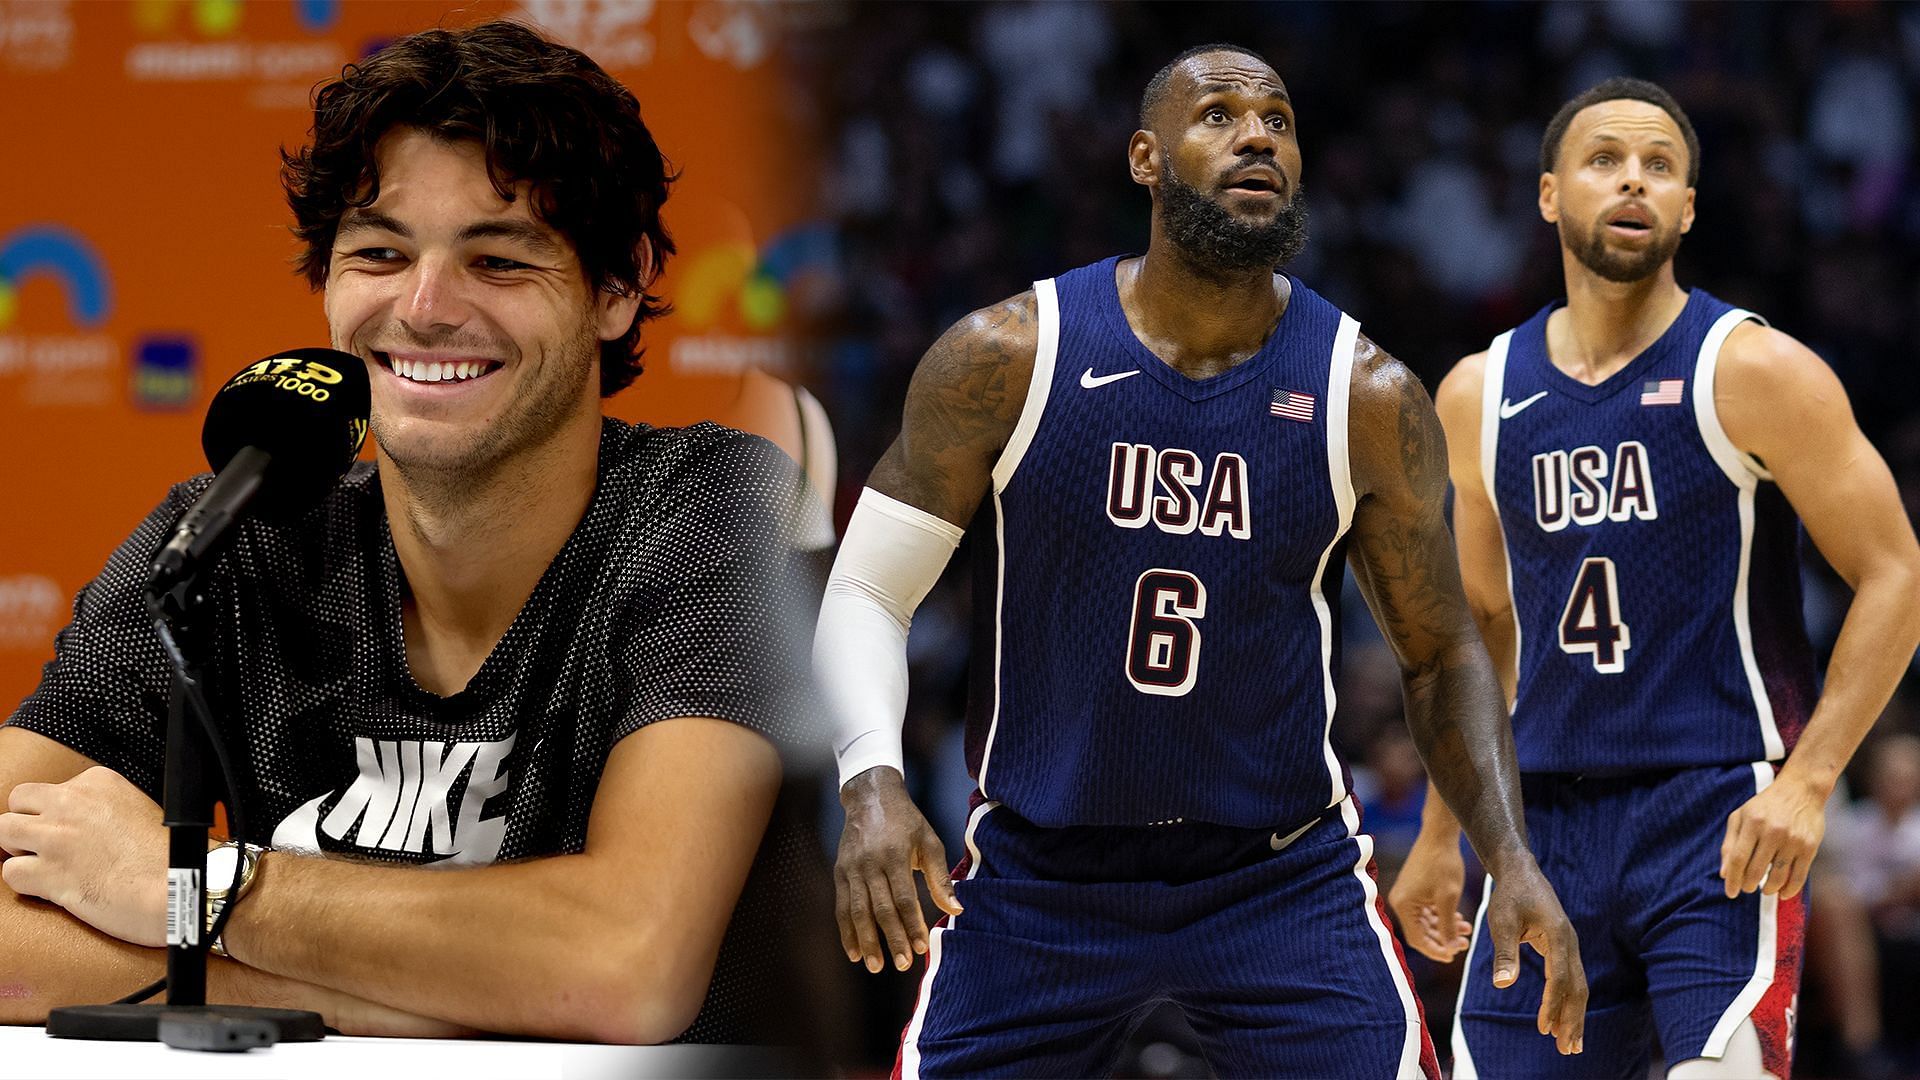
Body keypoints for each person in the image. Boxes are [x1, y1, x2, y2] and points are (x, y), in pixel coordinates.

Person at [0, 21, 812, 1044]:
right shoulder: (234, 539)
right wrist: (336, 998)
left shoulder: (707, 509)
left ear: (617, 286)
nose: (424, 309)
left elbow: (624, 964)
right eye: (380, 252)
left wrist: (208, 892)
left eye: (499, 259)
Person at [815, 43, 1586, 1078]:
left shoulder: (1367, 397)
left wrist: (1510, 856)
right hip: (1043, 877)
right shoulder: (1006, 355)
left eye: (1277, 119)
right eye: (1217, 114)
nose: (1257, 133)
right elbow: (866, 590)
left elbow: (1443, 653)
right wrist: (871, 784)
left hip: (1278, 877)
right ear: (1145, 156)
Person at [1388, 78, 1920, 1078]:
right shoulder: (1477, 394)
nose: (1632, 180)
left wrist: (1809, 783)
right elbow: (1482, 630)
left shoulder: (1754, 370)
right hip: (1541, 828)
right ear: (1549, 195)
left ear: (1685, 208)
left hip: (1716, 813)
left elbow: (1898, 573)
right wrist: (1439, 832)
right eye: (1604, 161)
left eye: (1659, 166)